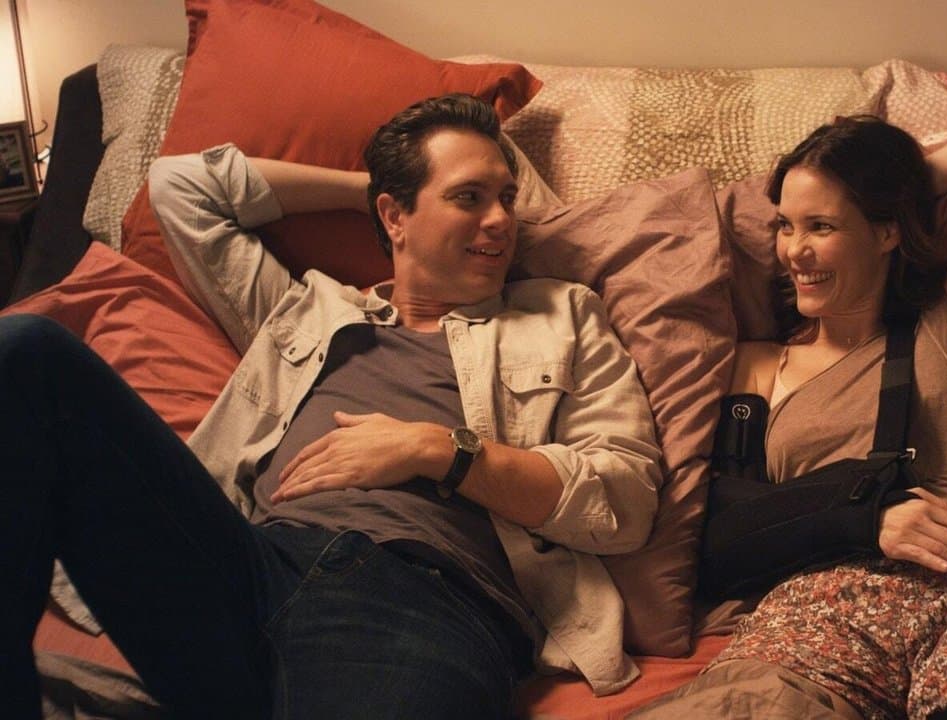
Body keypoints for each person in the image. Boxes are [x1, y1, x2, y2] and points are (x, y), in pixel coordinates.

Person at [0, 93, 661, 719]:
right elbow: (181, 187)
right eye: (469, 197)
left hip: (416, 600)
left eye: (508, 199)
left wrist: (438, 450)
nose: (501, 220)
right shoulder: (308, 308)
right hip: (240, 567)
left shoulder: (562, 314)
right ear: (394, 217)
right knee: (26, 351)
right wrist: (370, 189)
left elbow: (624, 500)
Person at [632, 94, 947, 719]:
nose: (794, 251)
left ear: (886, 232)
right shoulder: (757, 366)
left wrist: (892, 188)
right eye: (785, 226)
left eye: (822, 226)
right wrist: (863, 515)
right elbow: (715, 524)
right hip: (828, 602)